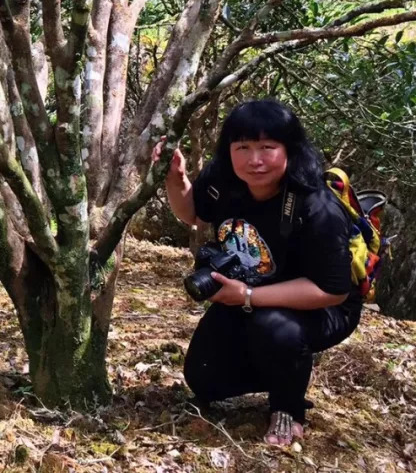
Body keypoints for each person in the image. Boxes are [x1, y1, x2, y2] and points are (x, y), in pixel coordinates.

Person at [155, 99, 361, 446]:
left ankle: (287, 406)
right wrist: (176, 178)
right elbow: (192, 213)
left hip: (322, 306)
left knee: (275, 330)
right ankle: (280, 365)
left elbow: (333, 289)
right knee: (203, 379)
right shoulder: (223, 180)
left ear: (289, 149)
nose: (255, 160)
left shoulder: (314, 205)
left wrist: (248, 297)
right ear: (229, 149)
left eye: (268, 147)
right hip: (250, 290)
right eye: (243, 147)